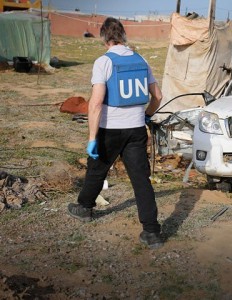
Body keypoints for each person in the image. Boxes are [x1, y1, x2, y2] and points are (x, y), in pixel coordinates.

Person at [67, 17, 163, 250]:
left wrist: (92, 138)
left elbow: (96, 103)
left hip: (111, 131)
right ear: (123, 36)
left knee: (97, 169)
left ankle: (84, 208)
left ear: (104, 38)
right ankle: (151, 232)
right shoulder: (141, 60)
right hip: (136, 130)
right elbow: (158, 96)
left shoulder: (103, 62)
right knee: (141, 180)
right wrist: (146, 116)